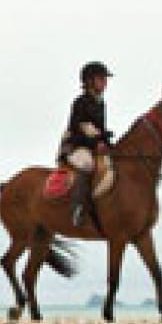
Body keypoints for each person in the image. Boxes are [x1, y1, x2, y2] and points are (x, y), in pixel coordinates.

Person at [61, 61, 115, 227]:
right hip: (76, 146)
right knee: (87, 165)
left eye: (105, 79)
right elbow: (80, 127)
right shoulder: (80, 102)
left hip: (92, 145)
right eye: (102, 79)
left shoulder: (101, 103)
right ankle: (78, 207)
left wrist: (106, 141)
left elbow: (99, 129)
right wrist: (96, 142)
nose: (105, 82)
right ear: (90, 81)